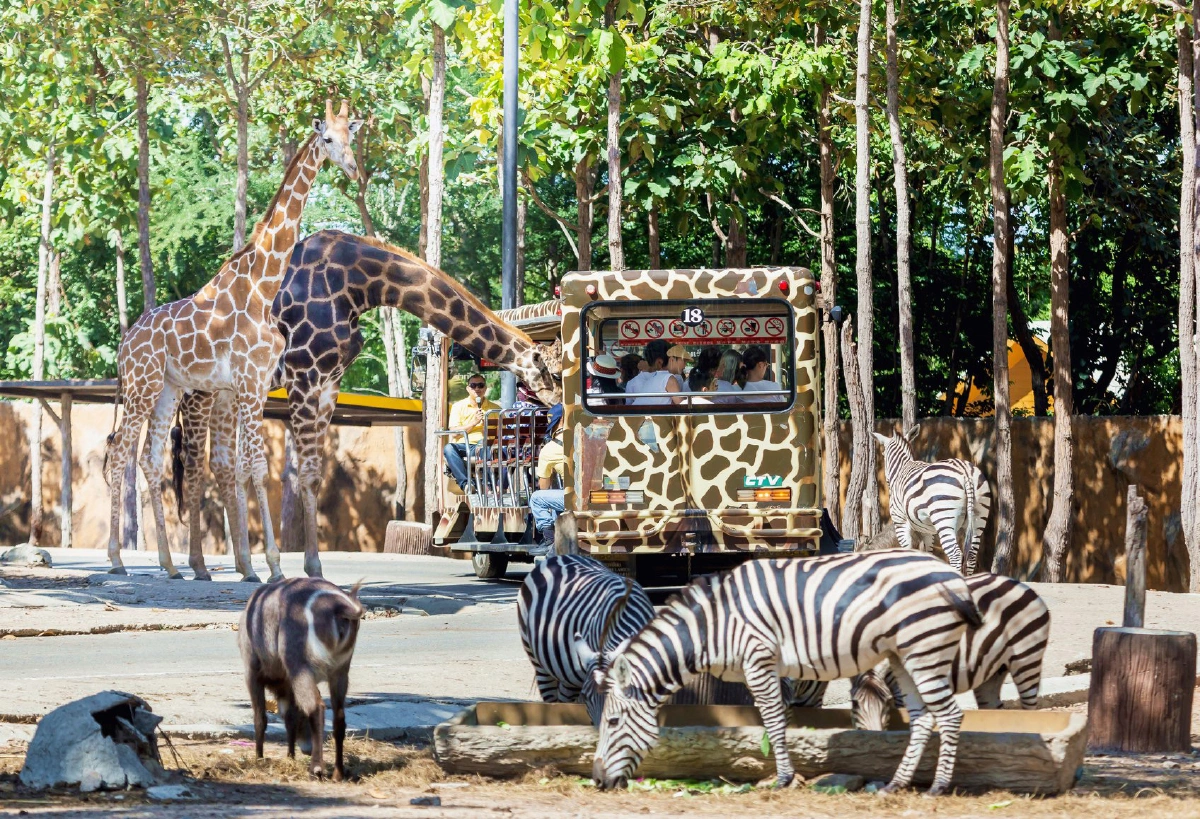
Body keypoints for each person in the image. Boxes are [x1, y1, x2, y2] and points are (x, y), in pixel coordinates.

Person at [443, 374, 500, 491]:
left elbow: (502, 433)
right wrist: (473, 423)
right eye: (473, 386)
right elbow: (454, 433)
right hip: (465, 444)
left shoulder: (495, 408)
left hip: (485, 444)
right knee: (448, 448)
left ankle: (488, 484)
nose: (477, 389)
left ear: (485, 388)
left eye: (480, 385)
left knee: (486, 444)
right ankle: (467, 484)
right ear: (468, 389)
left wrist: (487, 427)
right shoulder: (458, 406)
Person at [529, 404, 565, 555]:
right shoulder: (594, 436)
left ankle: (549, 540)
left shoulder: (549, 449)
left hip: (574, 497)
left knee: (537, 498)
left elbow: (544, 487)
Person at [624, 339, 682, 406]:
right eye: (673, 359)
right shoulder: (669, 378)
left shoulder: (652, 378)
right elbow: (682, 406)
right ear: (659, 362)